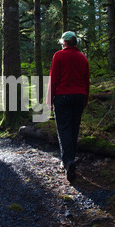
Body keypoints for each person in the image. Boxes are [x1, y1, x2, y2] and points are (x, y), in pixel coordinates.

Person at [47, 31, 90, 182]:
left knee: (64, 129)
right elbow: (86, 81)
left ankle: (68, 162)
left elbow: (54, 79)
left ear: (64, 42)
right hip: (79, 96)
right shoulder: (82, 57)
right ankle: (70, 159)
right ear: (75, 42)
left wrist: (49, 100)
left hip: (63, 97)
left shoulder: (58, 56)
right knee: (74, 128)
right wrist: (85, 99)